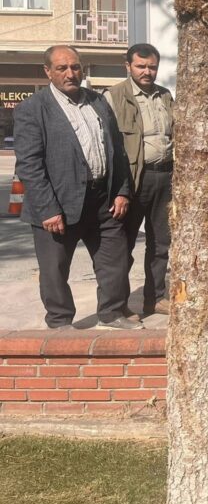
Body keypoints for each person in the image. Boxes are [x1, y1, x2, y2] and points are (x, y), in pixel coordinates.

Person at [14, 45, 141, 330]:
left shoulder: (98, 101)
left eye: (75, 67)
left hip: (103, 200)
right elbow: (29, 165)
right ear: (48, 71)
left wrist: (122, 191)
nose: (70, 74)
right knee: (55, 269)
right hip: (57, 204)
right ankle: (60, 322)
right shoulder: (32, 109)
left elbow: (117, 150)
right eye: (62, 68)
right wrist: (48, 209)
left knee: (115, 259)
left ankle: (111, 313)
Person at [104, 43, 174, 317]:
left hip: (164, 177)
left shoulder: (165, 95)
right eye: (141, 66)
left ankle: (154, 298)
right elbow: (109, 146)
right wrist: (118, 189)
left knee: (161, 244)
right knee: (124, 245)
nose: (147, 71)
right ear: (128, 66)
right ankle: (118, 304)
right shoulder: (113, 96)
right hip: (133, 180)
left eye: (152, 67)